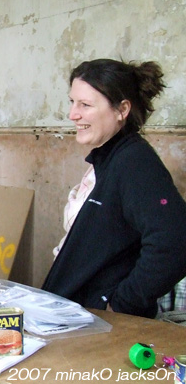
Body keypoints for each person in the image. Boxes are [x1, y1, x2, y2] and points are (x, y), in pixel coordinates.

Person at [42, 58, 186, 318]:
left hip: (106, 326)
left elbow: (175, 241)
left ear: (122, 110)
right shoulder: (107, 159)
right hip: (80, 318)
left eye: (85, 105)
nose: (73, 114)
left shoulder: (135, 162)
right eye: (72, 102)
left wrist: (120, 304)